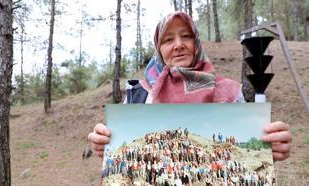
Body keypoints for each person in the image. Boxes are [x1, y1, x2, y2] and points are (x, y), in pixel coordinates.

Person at [88, 12, 292, 162]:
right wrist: (104, 142)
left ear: (197, 43)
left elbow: (252, 148)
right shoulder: (138, 95)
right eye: (168, 40)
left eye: (186, 36)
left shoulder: (229, 92)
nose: (178, 45)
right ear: (158, 49)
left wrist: (271, 144)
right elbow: (120, 147)